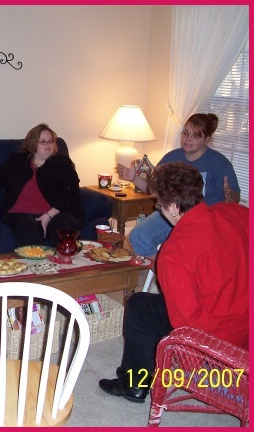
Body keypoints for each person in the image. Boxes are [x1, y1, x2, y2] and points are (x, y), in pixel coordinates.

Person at [99, 162, 248, 403]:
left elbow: (186, 326)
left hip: (221, 348)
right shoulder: (238, 213)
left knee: (138, 305)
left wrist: (188, 363)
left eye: (159, 204)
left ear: (174, 207)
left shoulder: (174, 253)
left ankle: (134, 385)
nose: (159, 210)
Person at [116, 113, 240, 257]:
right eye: (185, 133)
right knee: (137, 237)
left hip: (203, 220)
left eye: (195, 136)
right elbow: (153, 189)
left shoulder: (219, 163)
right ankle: (160, 267)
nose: (187, 139)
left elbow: (234, 200)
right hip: (170, 214)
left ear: (206, 139)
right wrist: (134, 178)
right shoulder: (171, 157)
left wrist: (230, 196)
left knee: (186, 249)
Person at [0, 123, 84, 248]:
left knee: (67, 225)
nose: (48, 145)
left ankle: (64, 259)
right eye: (43, 142)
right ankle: (36, 261)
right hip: (21, 214)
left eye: (51, 141)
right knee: (29, 230)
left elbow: (72, 193)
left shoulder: (63, 163)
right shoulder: (17, 160)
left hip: (54, 213)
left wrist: (48, 216)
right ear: (33, 144)